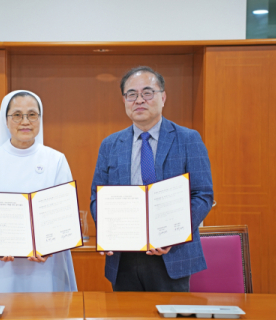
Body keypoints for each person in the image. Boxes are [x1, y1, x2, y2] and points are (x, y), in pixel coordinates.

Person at [90, 66, 213, 292]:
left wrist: (173, 234)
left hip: (172, 255)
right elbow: (97, 197)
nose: (139, 100)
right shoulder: (110, 144)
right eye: (131, 95)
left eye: (147, 93)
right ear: (124, 100)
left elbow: (202, 195)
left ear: (163, 97)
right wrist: (106, 232)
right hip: (123, 258)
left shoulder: (188, 139)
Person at [0, 90, 77, 293]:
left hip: (46, 261)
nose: (25, 121)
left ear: (40, 119)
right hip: (1, 263)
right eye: (17, 115)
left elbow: (65, 210)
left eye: (32, 114)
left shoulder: (56, 160)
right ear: (6, 121)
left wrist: (49, 246)